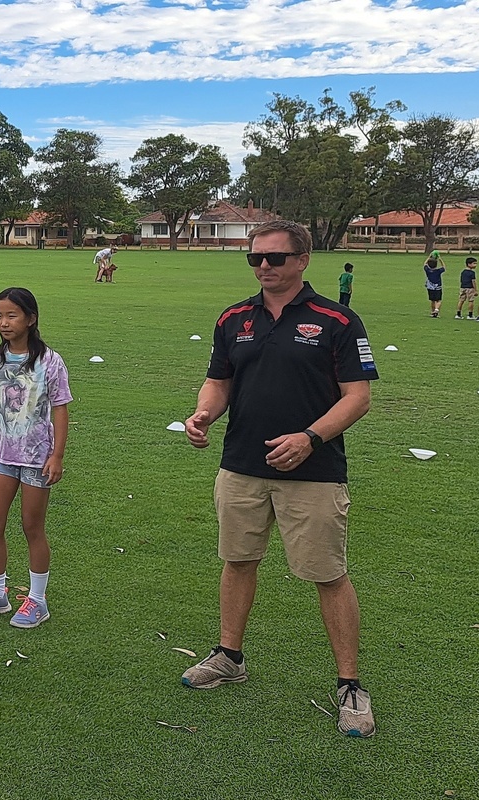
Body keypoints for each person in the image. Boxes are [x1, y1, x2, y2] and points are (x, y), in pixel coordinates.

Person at [181, 219, 379, 738]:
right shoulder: (234, 317)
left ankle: (350, 684)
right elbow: (219, 381)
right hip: (241, 465)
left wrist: (309, 438)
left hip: (313, 471)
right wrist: (203, 414)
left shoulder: (336, 319)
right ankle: (228, 656)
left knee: (326, 574)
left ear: (302, 261)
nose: (264, 267)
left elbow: (358, 396)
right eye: (256, 259)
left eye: (274, 258)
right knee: (237, 560)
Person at [0, 288, 72, 628]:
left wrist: (57, 455)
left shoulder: (49, 361)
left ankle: (37, 601)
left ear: (31, 319)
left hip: (37, 457)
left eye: (12, 316)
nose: (4, 322)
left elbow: (61, 409)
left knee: (31, 526)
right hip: (4, 455)